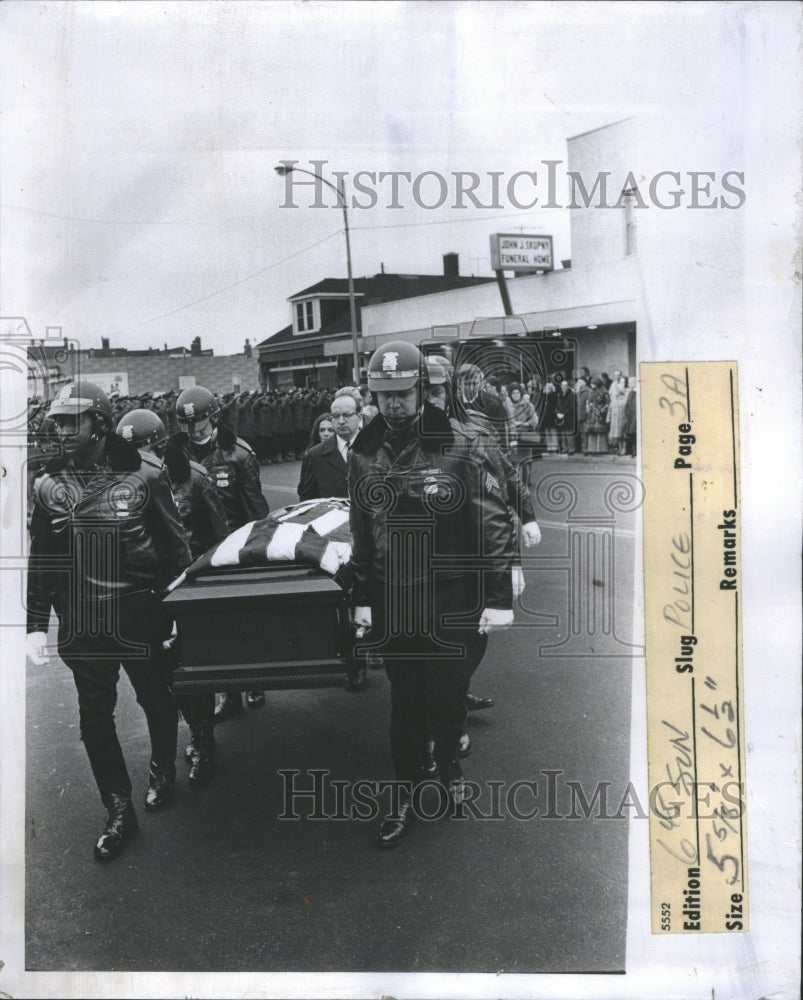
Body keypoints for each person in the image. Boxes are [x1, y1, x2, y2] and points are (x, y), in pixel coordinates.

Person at [349, 342, 515, 848]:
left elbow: (491, 521)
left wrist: (498, 595)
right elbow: (362, 528)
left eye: (401, 394)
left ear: (421, 388)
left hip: (451, 597)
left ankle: (449, 766)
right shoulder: (363, 450)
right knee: (405, 699)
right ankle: (406, 789)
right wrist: (361, 593)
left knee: (446, 693)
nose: (392, 405)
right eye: (383, 395)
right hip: (395, 597)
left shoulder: (461, 443)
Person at [27, 381, 192, 861]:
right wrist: (37, 623)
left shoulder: (145, 476)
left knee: (156, 699)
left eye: (69, 421)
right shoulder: (48, 485)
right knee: (94, 718)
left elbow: (176, 549)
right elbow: (43, 560)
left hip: (140, 612)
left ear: (98, 422)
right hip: (82, 620)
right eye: (56, 422)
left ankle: (163, 768)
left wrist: (180, 609)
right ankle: (118, 809)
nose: (59, 430)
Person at [171, 384, 270, 719]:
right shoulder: (176, 455)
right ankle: (228, 692)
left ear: (212, 418)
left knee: (244, 618)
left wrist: (257, 551)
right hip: (195, 550)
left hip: (233, 546)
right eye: (186, 424)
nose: (192, 430)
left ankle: (255, 677)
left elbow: (255, 508)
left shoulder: (238, 454)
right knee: (210, 627)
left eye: (198, 422)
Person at [297, 392, 361, 501]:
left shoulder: (378, 448)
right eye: (336, 416)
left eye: (346, 415)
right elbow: (308, 499)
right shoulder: (315, 455)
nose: (341, 421)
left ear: (359, 416)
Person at [585, 378, 610, 454]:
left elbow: (608, 402)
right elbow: (588, 400)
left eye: (593, 383)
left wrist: (603, 409)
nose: (592, 385)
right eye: (591, 383)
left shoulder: (604, 391)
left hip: (600, 413)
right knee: (592, 431)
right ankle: (592, 449)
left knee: (599, 431)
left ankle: (601, 449)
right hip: (592, 413)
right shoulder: (591, 391)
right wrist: (588, 406)